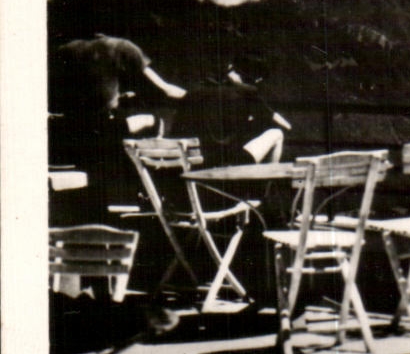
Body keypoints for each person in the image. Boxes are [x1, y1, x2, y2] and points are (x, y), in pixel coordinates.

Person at [49, 34, 188, 218]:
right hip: (104, 128)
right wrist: (199, 96)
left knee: (117, 123)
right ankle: (148, 193)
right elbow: (164, 90)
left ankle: (124, 190)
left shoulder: (66, 49)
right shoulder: (119, 46)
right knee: (153, 121)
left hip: (68, 130)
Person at [170, 55, 292, 167]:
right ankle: (267, 184)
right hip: (231, 163)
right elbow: (284, 125)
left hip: (197, 164)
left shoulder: (194, 93)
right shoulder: (246, 93)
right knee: (277, 133)